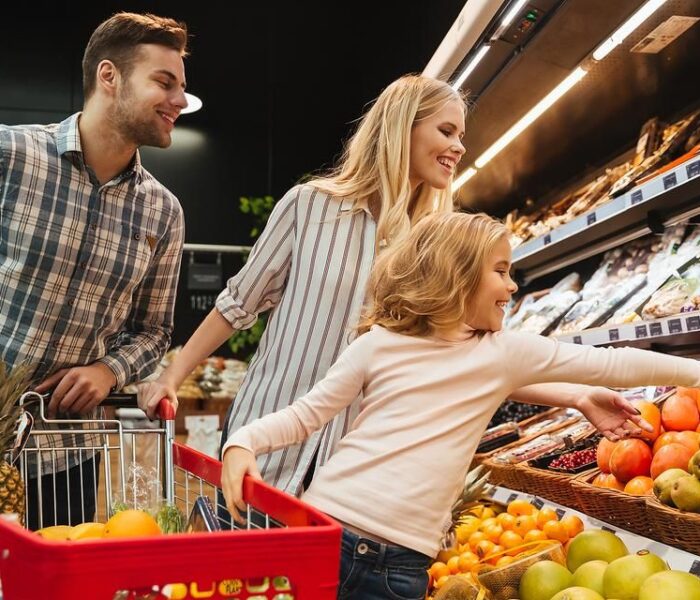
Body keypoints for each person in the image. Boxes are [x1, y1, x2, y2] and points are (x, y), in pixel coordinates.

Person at [138, 74, 646, 497]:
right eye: (446, 130)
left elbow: (472, 356)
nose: (458, 147)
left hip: (356, 464)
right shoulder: (310, 206)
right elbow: (238, 303)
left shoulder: (431, 245)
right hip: (269, 437)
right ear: (403, 127)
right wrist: (172, 373)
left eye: (461, 136)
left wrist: (577, 396)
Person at [220, 211, 699, 600]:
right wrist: (243, 441)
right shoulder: (378, 344)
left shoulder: (503, 352)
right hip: (322, 530)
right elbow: (307, 414)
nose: (512, 287)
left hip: (400, 566)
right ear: (457, 274)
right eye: (501, 271)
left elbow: (612, 365)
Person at [0, 12, 188, 529]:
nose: (179, 101)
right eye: (164, 82)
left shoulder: (163, 212)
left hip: (69, 454)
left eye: (181, 87)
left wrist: (109, 371)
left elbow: (155, 332)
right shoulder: (11, 155)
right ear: (109, 76)